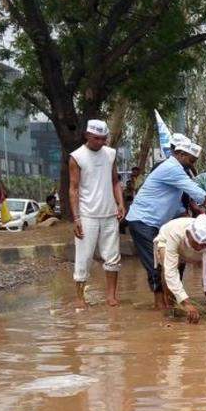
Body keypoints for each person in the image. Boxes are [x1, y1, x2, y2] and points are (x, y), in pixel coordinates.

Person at [126, 140, 206, 309]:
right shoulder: (172, 168)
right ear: (180, 155)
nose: (191, 166)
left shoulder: (177, 171)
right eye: (191, 161)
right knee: (157, 264)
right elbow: (196, 192)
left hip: (156, 224)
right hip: (143, 221)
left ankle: (169, 303)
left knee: (172, 263)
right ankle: (161, 306)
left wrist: (189, 218)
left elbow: (175, 204)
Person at [70, 119, 125, 308]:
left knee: (112, 257)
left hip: (109, 214)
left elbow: (115, 181)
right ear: (87, 136)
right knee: (83, 257)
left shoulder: (110, 154)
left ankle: (111, 296)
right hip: (87, 215)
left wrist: (120, 203)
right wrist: (76, 217)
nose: (101, 142)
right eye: (97, 139)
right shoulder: (77, 157)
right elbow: (74, 189)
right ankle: (80, 297)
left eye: (104, 139)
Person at [154, 214, 206, 324]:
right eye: (196, 243)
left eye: (203, 245)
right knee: (169, 266)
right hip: (169, 243)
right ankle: (170, 307)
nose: (199, 247)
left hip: (198, 253)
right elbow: (171, 271)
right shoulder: (176, 231)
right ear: (188, 234)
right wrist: (186, 303)